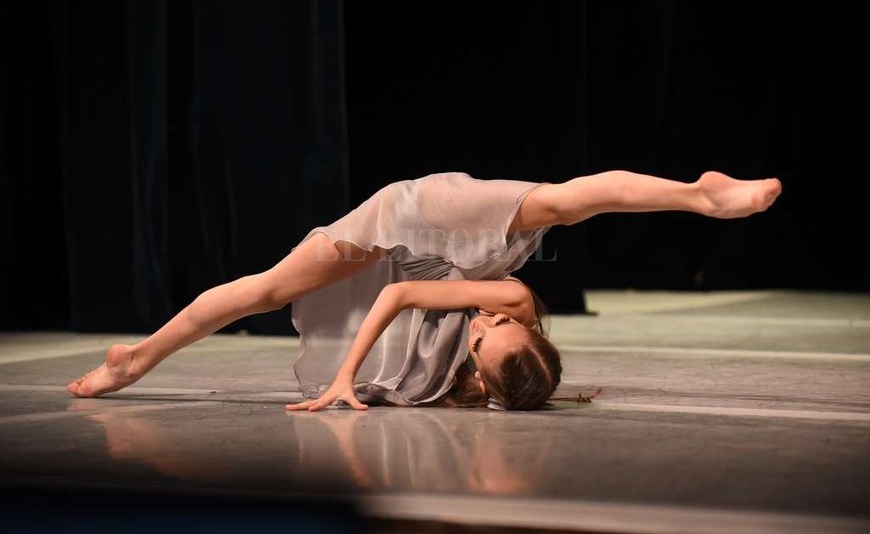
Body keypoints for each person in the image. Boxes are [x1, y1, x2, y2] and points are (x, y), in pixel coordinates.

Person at [67, 170, 782, 411]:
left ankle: (137, 360)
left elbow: (406, 297)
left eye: (479, 341)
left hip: (412, 258)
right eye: (500, 326)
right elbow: (399, 302)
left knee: (268, 289)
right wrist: (345, 377)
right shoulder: (509, 300)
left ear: (480, 364)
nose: (481, 325)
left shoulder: (486, 369)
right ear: (526, 327)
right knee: (565, 203)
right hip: (432, 220)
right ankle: (700, 195)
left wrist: (355, 379)